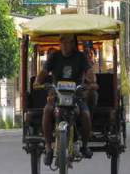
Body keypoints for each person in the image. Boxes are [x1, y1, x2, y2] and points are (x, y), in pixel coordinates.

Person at [34, 34, 97, 165]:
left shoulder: (80, 57)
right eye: (64, 42)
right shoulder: (54, 57)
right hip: (57, 95)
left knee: (85, 114)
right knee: (47, 110)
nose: (66, 45)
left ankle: (84, 146)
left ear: (74, 44)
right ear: (60, 42)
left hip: (77, 96)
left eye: (69, 42)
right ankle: (48, 148)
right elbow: (43, 73)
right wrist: (38, 82)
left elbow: (90, 73)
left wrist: (91, 82)